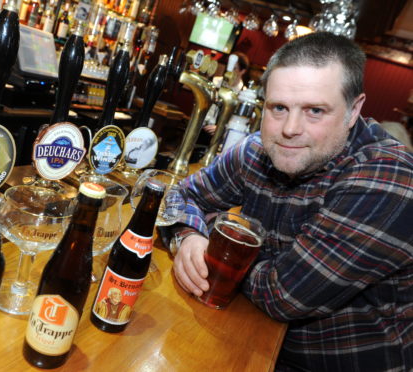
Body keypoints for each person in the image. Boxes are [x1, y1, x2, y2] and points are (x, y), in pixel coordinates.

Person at [169, 32, 413, 371]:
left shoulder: (389, 177)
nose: (289, 129)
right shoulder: (258, 149)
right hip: (253, 337)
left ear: (354, 109)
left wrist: (213, 231)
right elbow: (182, 194)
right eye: (278, 107)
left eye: (315, 110)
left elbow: (282, 295)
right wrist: (188, 236)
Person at [202, 52, 250, 137]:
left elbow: (240, 122)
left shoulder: (244, 94)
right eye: (229, 67)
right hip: (202, 128)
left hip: (222, 135)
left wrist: (221, 128)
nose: (229, 72)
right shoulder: (216, 82)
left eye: (234, 68)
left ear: (242, 71)